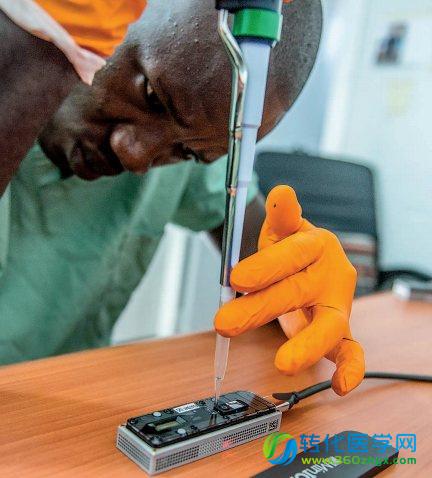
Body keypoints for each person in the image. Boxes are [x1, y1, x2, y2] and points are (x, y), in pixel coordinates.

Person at [0, 0, 365, 396]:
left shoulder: (188, 133)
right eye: (151, 95)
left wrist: (304, 276)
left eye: (187, 152)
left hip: (59, 401)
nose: (135, 155)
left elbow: (260, 250)